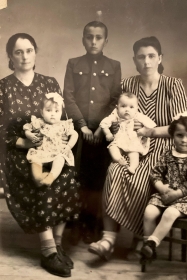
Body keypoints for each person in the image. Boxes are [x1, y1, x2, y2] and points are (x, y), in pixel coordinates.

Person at [88, 36, 187, 261]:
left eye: (151, 56)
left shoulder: (173, 85)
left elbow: (183, 126)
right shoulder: (127, 85)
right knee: (115, 170)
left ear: (160, 58)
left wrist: (150, 131)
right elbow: (113, 116)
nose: (146, 61)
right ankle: (108, 239)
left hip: (164, 149)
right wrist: (114, 126)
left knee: (143, 176)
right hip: (130, 146)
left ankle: (139, 238)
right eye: (141, 57)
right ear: (135, 60)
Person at [0, 33, 81, 277]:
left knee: (67, 174)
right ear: (10, 57)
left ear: (35, 52)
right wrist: (22, 141)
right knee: (41, 181)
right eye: (18, 52)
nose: (24, 56)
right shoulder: (3, 87)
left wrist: (62, 145)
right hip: (18, 153)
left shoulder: (49, 83)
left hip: (51, 148)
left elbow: (62, 120)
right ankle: (47, 252)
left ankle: (57, 244)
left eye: (28, 50)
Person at [63, 21, 121, 244]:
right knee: (77, 177)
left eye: (98, 37)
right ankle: (75, 222)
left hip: (103, 133)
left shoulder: (114, 65)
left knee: (98, 180)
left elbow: (115, 99)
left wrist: (100, 128)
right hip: (79, 133)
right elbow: (68, 96)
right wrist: (82, 124)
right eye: (89, 37)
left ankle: (91, 223)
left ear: (106, 41)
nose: (93, 41)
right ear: (83, 39)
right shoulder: (73, 63)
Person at [140, 113, 187, 262]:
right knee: (149, 212)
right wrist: (161, 188)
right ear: (173, 136)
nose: (184, 140)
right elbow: (155, 174)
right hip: (165, 194)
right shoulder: (168, 154)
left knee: (169, 213)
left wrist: (175, 194)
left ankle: (152, 243)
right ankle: (148, 250)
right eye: (179, 135)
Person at [24, 92, 78, 187]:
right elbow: (27, 127)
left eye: (56, 111)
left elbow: (75, 134)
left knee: (60, 159)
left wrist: (68, 147)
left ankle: (51, 177)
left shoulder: (64, 124)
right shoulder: (39, 122)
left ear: (61, 113)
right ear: (42, 112)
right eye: (48, 110)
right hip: (42, 152)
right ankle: (38, 178)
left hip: (58, 152)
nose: (53, 114)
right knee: (35, 159)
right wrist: (29, 134)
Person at [100, 92, 156, 174]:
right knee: (112, 148)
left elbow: (151, 125)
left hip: (132, 142)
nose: (127, 109)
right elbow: (104, 123)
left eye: (131, 107)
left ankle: (132, 167)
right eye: (123, 106)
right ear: (117, 107)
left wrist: (143, 129)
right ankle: (119, 159)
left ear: (137, 108)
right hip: (118, 141)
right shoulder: (116, 115)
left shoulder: (138, 116)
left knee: (134, 155)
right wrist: (107, 133)